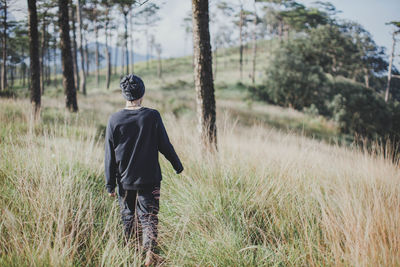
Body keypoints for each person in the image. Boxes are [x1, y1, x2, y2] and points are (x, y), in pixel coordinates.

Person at [104, 74, 184, 266]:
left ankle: (131, 255)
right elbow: (165, 145)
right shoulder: (152, 116)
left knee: (128, 218)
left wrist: (110, 185)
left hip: (124, 181)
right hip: (150, 179)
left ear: (124, 95)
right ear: (143, 93)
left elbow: (109, 155)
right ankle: (149, 256)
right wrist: (177, 165)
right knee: (148, 218)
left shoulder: (114, 119)